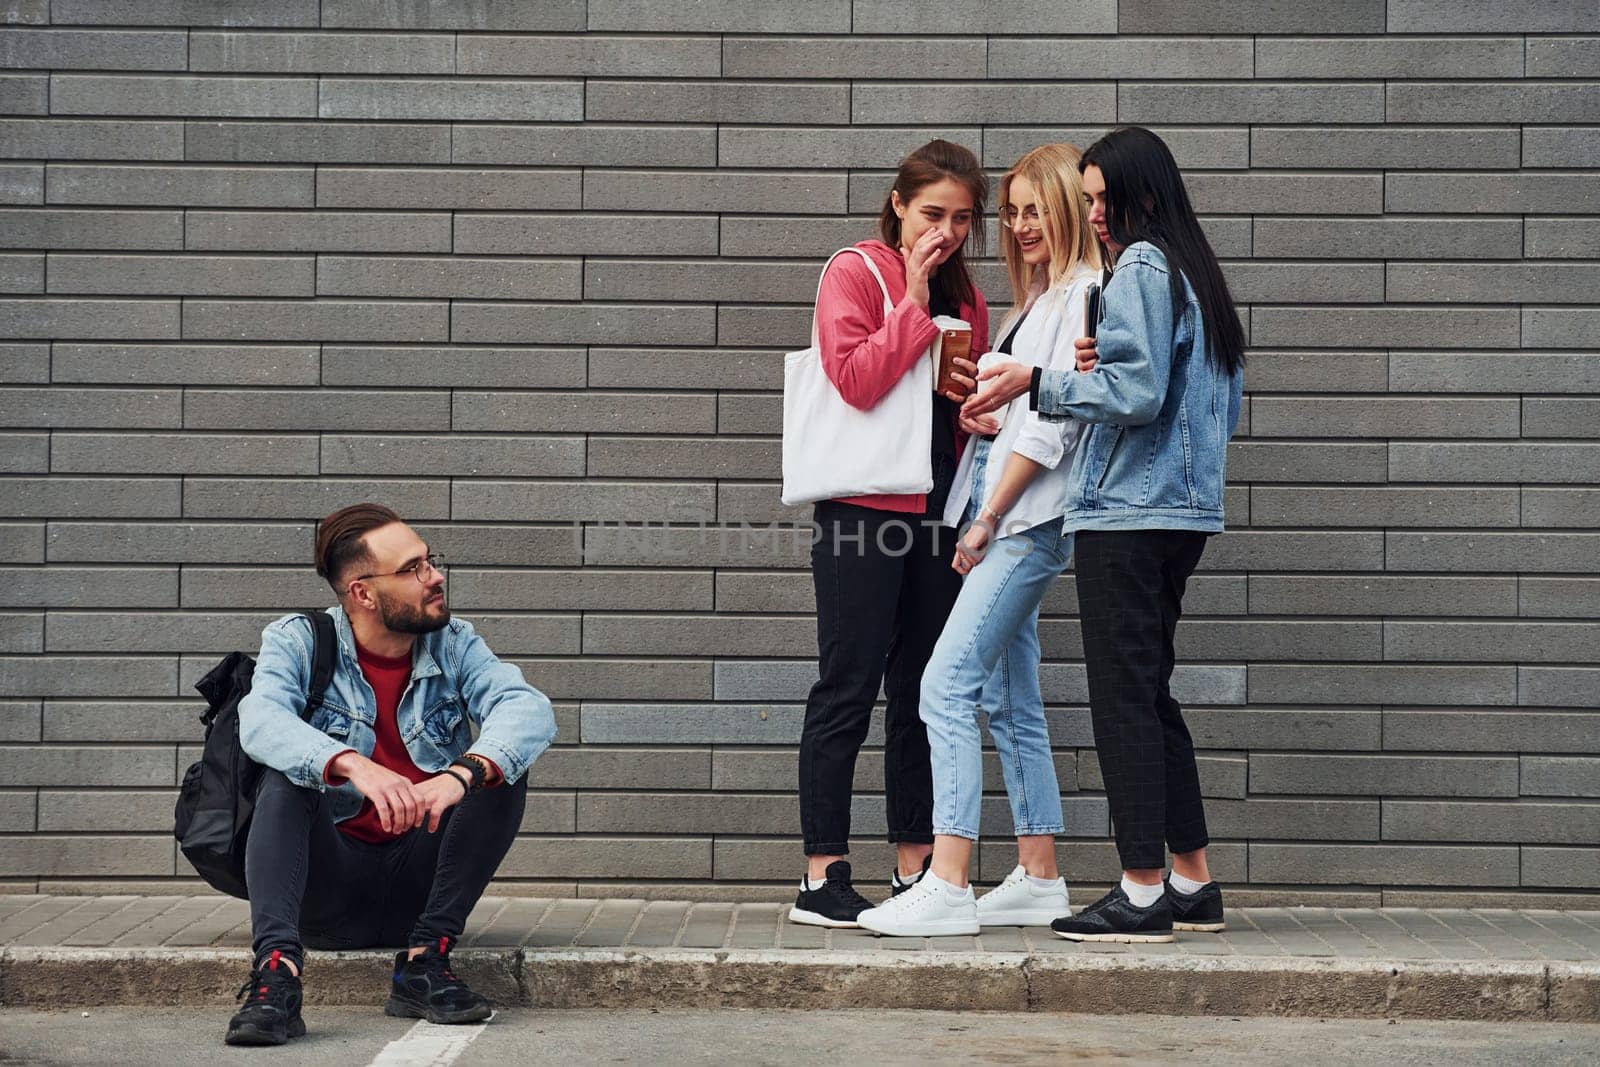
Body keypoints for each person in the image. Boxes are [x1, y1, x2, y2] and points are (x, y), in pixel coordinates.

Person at [964, 126, 1245, 943]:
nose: (1091, 215)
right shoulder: (1194, 273)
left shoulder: (1145, 265)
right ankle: (1192, 881)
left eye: (1099, 199)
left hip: (1128, 512)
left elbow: (1139, 393)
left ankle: (1142, 889)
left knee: (1123, 700)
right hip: (1179, 512)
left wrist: (1039, 379)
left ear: (1141, 197)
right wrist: (1099, 371)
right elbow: (1186, 394)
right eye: (1085, 200)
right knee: (1151, 694)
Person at [857, 144, 1101, 937]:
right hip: (1014, 518)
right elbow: (1031, 415)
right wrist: (986, 419)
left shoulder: (1081, 295)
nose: (1023, 225)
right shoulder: (1045, 299)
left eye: (1039, 208)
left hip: (1025, 527)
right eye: (1016, 211)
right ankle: (1038, 872)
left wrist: (988, 516)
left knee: (943, 686)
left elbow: (1057, 433)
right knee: (1009, 697)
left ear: (1069, 206)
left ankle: (950, 877)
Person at [224, 503, 556, 1045]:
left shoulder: (453, 643)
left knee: (499, 767)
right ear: (362, 592)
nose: (435, 577)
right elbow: (260, 722)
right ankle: (276, 976)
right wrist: (350, 764)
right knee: (289, 774)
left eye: (430, 561)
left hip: (418, 888)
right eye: (413, 569)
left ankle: (425, 964)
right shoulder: (299, 640)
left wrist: (459, 774)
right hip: (323, 889)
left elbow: (527, 708)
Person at [791, 139, 991, 928]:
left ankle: (916, 866)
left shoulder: (968, 296)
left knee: (921, 691)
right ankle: (822, 873)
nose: (946, 231)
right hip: (864, 514)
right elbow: (857, 379)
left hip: (940, 513)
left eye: (962, 219)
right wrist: (909, 297)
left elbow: (956, 412)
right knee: (847, 685)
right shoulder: (857, 271)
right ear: (899, 204)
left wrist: (979, 406)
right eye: (933, 212)